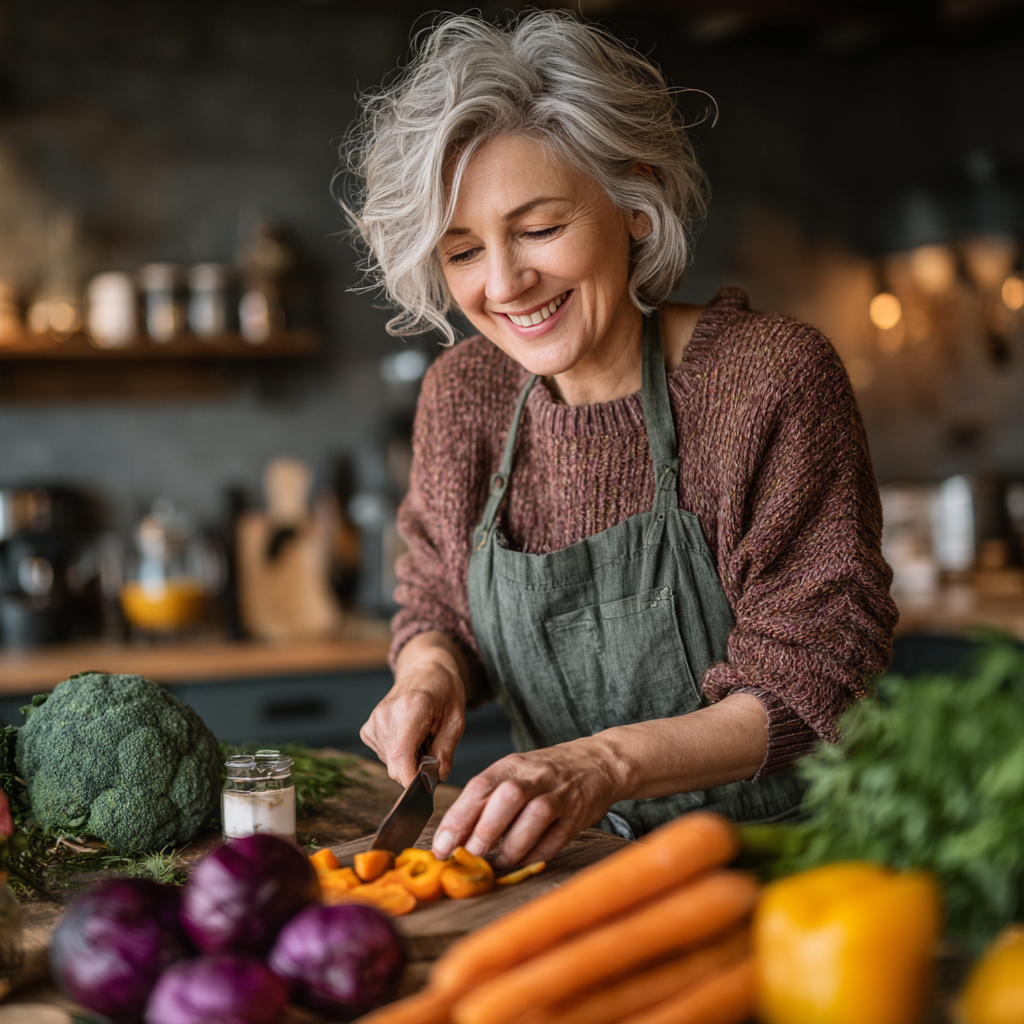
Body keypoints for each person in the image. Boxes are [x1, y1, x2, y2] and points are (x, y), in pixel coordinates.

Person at [343, 11, 897, 869]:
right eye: (461, 253)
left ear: (634, 201)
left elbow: (812, 677)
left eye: (538, 228)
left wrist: (599, 763)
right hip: (575, 873)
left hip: (792, 875)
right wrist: (428, 676)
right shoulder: (466, 395)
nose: (504, 283)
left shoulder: (767, 380)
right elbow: (439, 604)